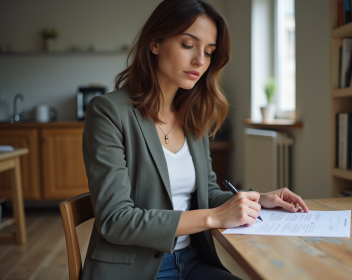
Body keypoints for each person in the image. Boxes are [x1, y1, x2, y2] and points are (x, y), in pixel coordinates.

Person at [81, 0, 309, 279]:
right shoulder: (109, 112)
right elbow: (115, 221)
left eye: (209, 52)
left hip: (189, 261)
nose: (200, 61)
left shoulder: (192, 115)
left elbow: (207, 192)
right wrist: (213, 217)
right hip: (136, 270)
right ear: (155, 43)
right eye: (188, 45)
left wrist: (259, 199)